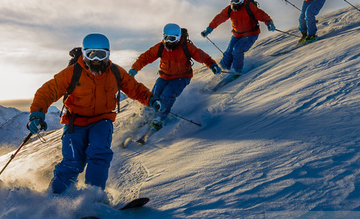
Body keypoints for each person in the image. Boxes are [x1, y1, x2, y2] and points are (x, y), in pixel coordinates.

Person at [28, 33, 162, 195]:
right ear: (84, 54)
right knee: (73, 162)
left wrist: (151, 99)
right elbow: (48, 91)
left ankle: (92, 198)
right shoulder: (72, 73)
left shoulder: (115, 73)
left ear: (108, 54)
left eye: (101, 54)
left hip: (102, 120)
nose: (96, 59)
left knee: (99, 154)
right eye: (91, 54)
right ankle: (55, 195)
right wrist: (37, 114)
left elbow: (134, 88)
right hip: (75, 122)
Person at [128, 23, 221, 130]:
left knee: (167, 95)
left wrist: (212, 64)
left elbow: (200, 55)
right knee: (154, 95)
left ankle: (159, 118)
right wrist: (134, 69)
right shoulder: (161, 47)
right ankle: (148, 114)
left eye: (171, 38)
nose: (168, 41)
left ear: (178, 37)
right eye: (165, 37)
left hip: (181, 78)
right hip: (164, 76)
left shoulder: (186, 46)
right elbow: (146, 57)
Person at [200, 0, 275, 76]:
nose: (233, 3)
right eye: (231, 0)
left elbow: (261, 14)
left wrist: (269, 23)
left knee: (237, 49)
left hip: (250, 34)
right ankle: (223, 71)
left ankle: (237, 71)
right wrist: (209, 29)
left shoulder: (249, 7)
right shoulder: (229, 10)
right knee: (228, 53)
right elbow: (219, 18)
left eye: (236, 0)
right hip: (237, 35)